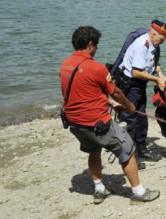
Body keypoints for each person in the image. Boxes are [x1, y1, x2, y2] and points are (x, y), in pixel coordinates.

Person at [59, 26, 159, 204]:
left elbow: (82, 94)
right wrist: (128, 106)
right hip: (97, 123)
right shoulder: (97, 68)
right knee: (127, 148)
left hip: (75, 124)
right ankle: (139, 193)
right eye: (96, 45)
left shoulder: (65, 65)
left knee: (94, 150)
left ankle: (99, 189)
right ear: (90, 44)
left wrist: (111, 104)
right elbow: (117, 92)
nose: (96, 49)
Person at [116, 19, 166, 161]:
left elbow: (155, 61)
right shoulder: (142, 44)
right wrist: (156, 80)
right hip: (130, 84)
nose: (163, 42)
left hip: (139, 85)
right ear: (153, 34)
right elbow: (136, 72)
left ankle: (141, 148)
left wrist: (161, 75)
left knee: (141, 117)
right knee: (132, 119)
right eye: (162, 39)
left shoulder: (153, 44)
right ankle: (130, 156)